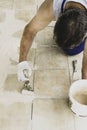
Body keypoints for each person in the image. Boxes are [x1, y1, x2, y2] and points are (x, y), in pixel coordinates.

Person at [18, 0, 87, 82]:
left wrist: (84, 85)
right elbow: (30, 30)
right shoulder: (52, 5)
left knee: (72, 51)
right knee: (66, 45)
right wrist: (22, 61)